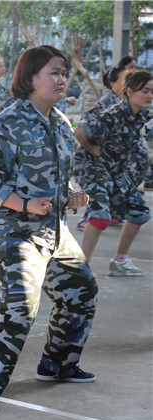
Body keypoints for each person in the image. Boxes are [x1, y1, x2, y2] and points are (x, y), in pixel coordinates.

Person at [0, 45, 97, 415]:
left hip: (54, 229)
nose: (61, 78)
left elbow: (60, 177)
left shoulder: (61, 122)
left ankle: (57, 363)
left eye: (63, 71)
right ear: (30, 78)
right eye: (53, 72)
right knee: (19, 306)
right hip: (13, 230)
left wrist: (71, 195)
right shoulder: (5, 122)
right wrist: (23, 204)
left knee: (81, 290)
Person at [76, 70, 153, 276]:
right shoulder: (113, 115)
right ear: (129, 92)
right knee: (100, 216)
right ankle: (81, 267)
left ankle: (120, 261)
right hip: (93, 167)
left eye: (152, 91)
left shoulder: (143, 115)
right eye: (144, 91)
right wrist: (92, 148)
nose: (149, 96)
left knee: (139, 212)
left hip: (116, 169)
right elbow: (80, 131)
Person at [73, 65, 126, 231]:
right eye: (125, 80)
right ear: (113, 83)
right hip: (92, 163)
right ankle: (87, 220)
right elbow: (79, 130)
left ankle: (106, 215)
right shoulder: (107, 103)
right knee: (98, 202)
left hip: (109, 163)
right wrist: (91, 148)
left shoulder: (124, 103)